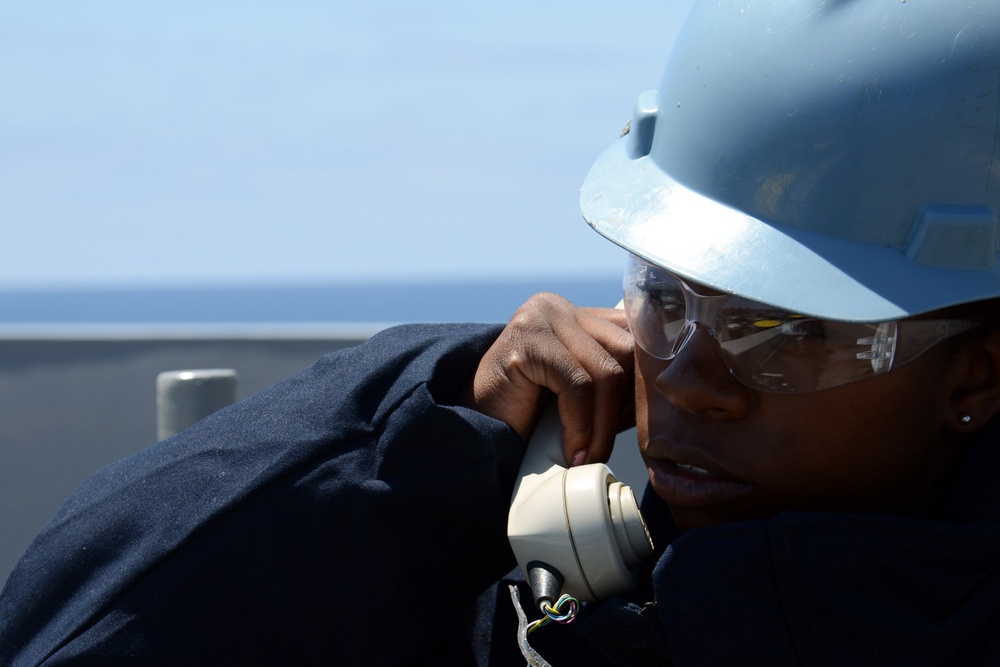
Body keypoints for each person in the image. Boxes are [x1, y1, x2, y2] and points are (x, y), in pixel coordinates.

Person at [4, 0, 1000, 664]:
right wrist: (434, 421)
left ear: (975, 377)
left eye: (781, 330)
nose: (690, 381)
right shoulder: (577, 590)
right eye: (664, 297)